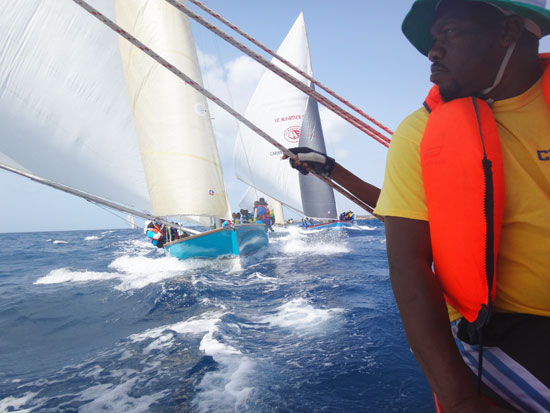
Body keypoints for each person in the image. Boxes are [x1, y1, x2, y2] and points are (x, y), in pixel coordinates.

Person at [285, 1, 550, 410]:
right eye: (432, 39)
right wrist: (459, 398)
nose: (433, 51)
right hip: (505, 327)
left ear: (508, 33)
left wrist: (333, 171)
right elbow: (409, 249)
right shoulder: (420, 133)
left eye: (449, 34)